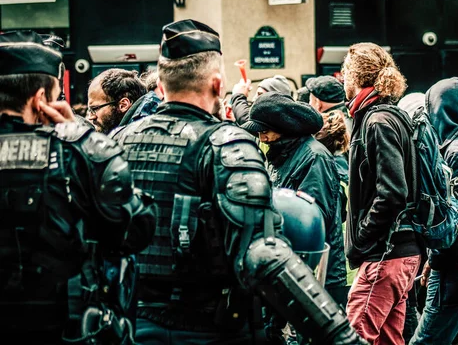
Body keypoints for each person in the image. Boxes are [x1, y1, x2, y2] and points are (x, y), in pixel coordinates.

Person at [111, 19, 365, 345]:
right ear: (218, 86)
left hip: (131, 326)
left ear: (161, 87)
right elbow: (264, 255)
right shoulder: (228, 145)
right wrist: (343, 338)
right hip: (211, 329)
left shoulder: (114, 144)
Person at [0, 30, 157, 343]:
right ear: (40, 99)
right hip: (64, 324)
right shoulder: (81, 152)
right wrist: (78, 136)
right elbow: (136, 228)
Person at [342, 42, 421, 344]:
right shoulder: (389, 116)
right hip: (398, 253)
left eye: (345, 72)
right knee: (387, 339)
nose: (342, 79)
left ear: (358, 76)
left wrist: (363, 236)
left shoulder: (377, 121)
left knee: (353, 335)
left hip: (386, 254)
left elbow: (393, 193)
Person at [241, 92, 348, 307]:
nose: (262, 138)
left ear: (284, 127)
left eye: (264, 131)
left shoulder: (314, 156)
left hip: (317, 273)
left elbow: (313, 218)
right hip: (292, 267)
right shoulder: (282, 153)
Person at [410, 77, 458, 345]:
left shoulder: (457, 152)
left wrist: (435, 261)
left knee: (426, 340)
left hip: (453, 268)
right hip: (457, 264)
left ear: (440, 109)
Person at [87, 68, 146, 134]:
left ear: (123, 105)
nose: (91, 117)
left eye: (94, 109)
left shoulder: (134, 139)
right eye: (89, 110)